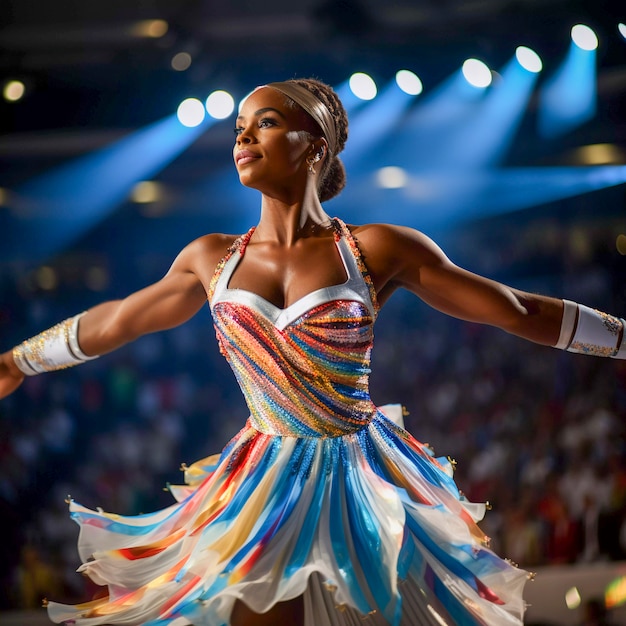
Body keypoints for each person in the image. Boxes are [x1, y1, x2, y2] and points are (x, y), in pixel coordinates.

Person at [0, 77, 624, 626]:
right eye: (240, 129)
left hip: (358, 475)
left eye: (265, 123)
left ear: (316, 143)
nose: (243, 139)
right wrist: (16, 362)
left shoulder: (377, 249)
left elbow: (518, 310)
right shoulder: (211, 257)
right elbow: (118, 320)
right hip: (261, 480)